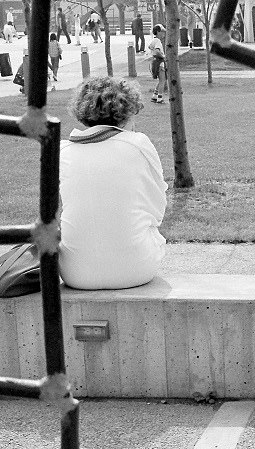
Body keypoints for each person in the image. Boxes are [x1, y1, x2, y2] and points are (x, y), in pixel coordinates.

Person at [59, 77, 167, 290]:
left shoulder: (62, 151)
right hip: (137, 269)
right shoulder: (138, 144)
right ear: (126, 114)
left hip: (74, 272)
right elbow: (158, 208)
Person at [148, 24, 166, 104]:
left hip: (155, 62)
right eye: (162, 32)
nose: (163, 34)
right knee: (163, 80)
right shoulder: (158, 41)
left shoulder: (153, 40)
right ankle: (160, 97)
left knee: (161, 80)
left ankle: (155, 95)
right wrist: (163, 56)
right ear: (158, 32)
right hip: (159, 62)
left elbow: (150, 47)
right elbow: (157, 51)